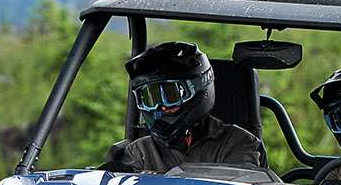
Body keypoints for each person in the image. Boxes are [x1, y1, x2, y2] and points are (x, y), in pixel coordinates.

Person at [102, 42, 267, 172]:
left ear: (198, 90)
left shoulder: (238, 143)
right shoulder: (140, 151)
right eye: (150, 98)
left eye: (170, 95)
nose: (160, 107)